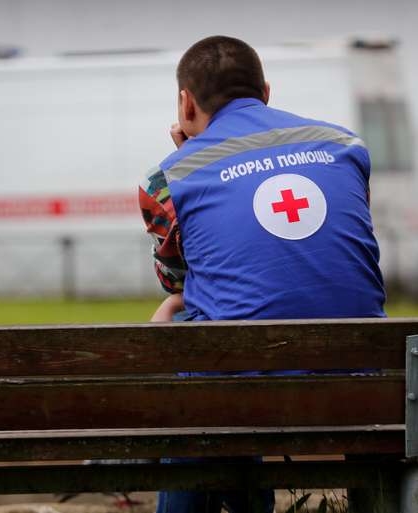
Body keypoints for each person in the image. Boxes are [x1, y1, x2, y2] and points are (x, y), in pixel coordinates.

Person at [138, 36, 386, 512]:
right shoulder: (346, 146)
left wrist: (191, 154)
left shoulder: (169, 177)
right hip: (362, 381)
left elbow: (179, 283)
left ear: (186, 103)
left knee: (191, 339)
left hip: (238, 389)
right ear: (266, 92)